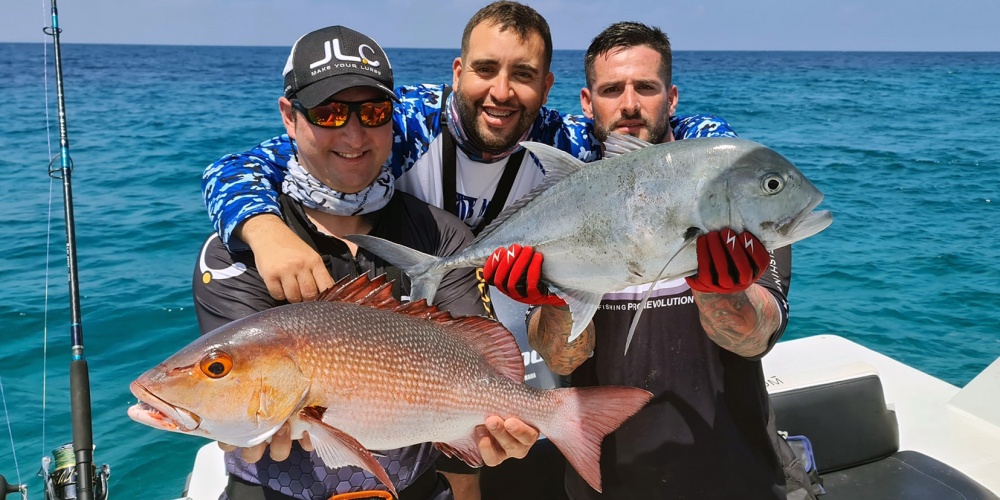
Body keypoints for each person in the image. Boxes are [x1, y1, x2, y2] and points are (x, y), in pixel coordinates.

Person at [199, 3, 735, 498]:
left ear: (547, 87)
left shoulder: (565, 139)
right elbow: (251, 162)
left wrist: (739, 187)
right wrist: (260, 227)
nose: (501, 92)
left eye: (523, 75)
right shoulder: (405, 123)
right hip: (420, 349)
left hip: (492, 369)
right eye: (485, 69)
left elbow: (686, 146)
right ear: (458, 73)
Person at [193, 24, 537, 500]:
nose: (353, 134)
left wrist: (487, 437)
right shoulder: (237, 249)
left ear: (394, 118)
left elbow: (477, 367)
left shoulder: (442, 236)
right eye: (328, 113)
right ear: (289, 117)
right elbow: (239, 397)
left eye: (373, 112)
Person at [487, 22, 796, 499]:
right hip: (606, 485)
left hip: (736, 480)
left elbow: (758, 337)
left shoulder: (732, 197)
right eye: (612, 89)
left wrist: (726, 291)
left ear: (671, 98)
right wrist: (554, 302)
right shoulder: (566, 206)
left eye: (645, 87)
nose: (629, 104)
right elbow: (560, 355)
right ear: (588, 103)